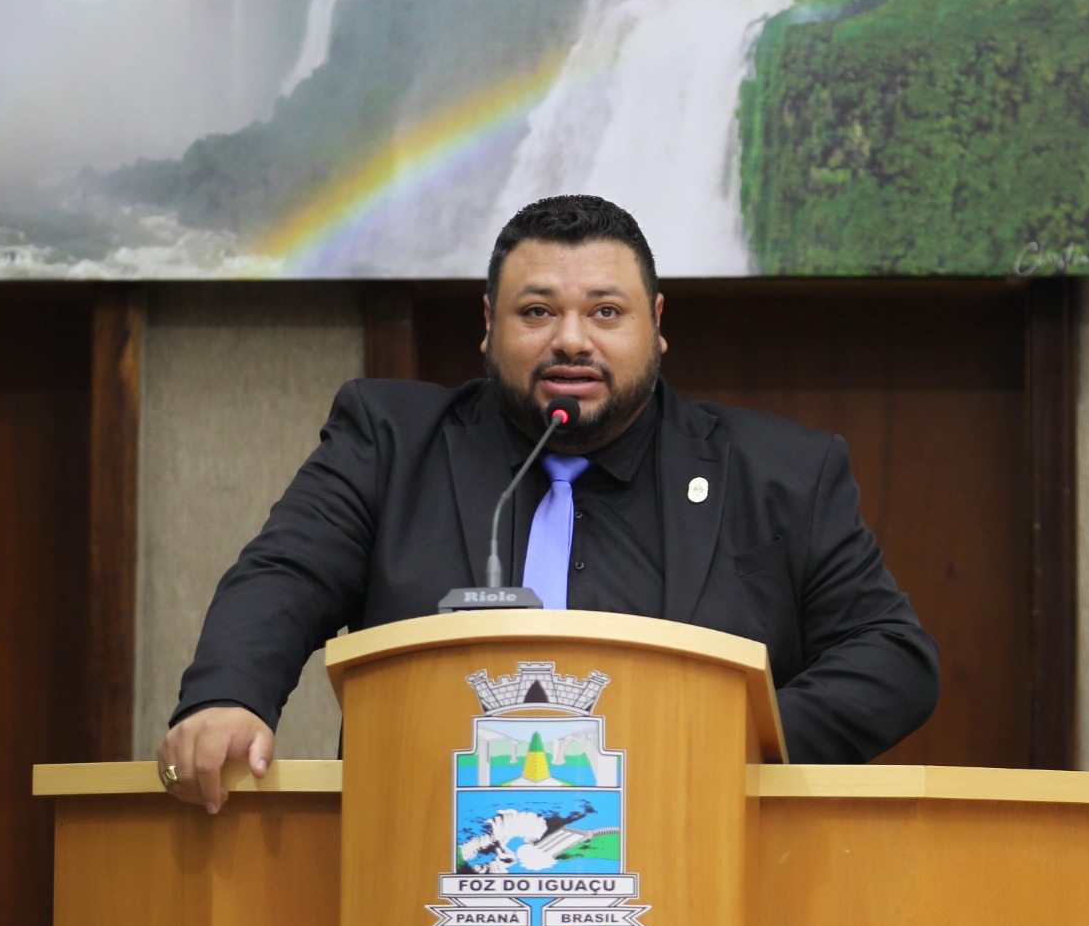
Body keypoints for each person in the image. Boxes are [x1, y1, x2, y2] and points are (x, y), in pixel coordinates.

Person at [158, 194, 939, 812]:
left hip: (695, 860)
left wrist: (724, 745)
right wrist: (228, 698)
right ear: (489, 326)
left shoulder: (779, 472)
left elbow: (891, 658)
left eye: (606, 311)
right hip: (423, 866)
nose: (572, 340)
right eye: (537, 313)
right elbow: (285, 574)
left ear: (656, 327)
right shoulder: (391, 443)